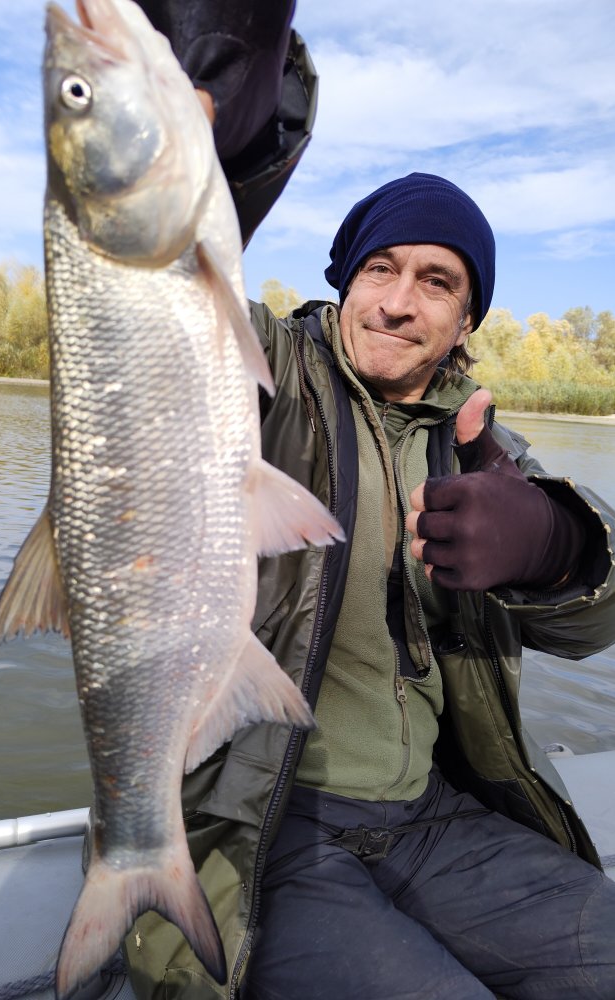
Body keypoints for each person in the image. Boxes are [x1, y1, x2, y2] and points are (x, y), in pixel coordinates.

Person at [123, 3, 615, 998]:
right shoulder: (263, 377)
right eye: (379, 269)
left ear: (466, 318)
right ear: (345, 282)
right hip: (271, 831)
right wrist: (223, 154)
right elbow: (158, 297)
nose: (396, 301)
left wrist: (559, 545)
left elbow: (593, 623)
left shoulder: (478, 444)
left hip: (438, 819)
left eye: (435, 281)